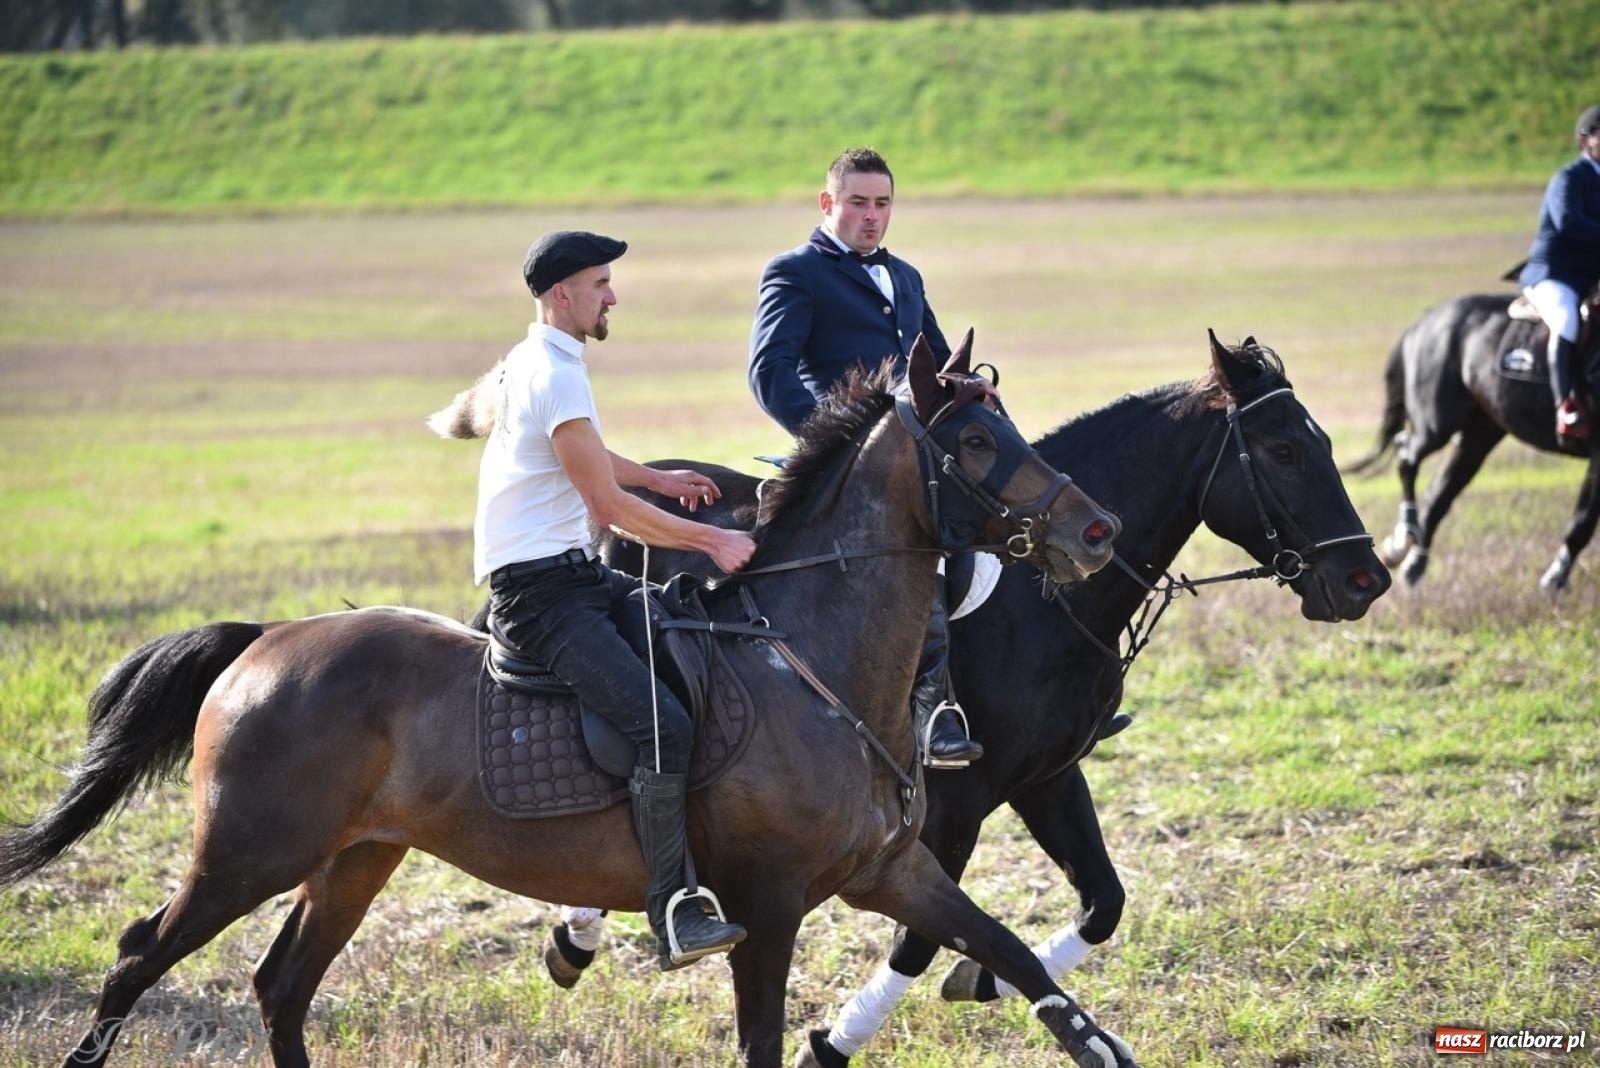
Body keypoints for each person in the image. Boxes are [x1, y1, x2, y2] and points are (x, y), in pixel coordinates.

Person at [477, 230, 755, 970]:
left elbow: (589, 459)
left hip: (572, 576)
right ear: (562, 294)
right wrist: (711, 542)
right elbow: (604, 504)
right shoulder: (553, 372)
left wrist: (663, 482)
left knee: (685, 635)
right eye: (601, 283)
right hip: (541, 598)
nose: (614, 295)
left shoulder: (542, 359)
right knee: (660, 724)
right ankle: (672, 911)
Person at [747, 147, 983, 768]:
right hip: (851, 468)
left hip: (919, 454)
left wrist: (971, 390)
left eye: (882, 204)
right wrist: (837, 443)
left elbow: (936, 364)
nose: (871, 217)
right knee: (920, 551)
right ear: (828, 204)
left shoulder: (905, 275)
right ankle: (934, 714)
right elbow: (770, 376)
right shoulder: (795, 271)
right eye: (858, 203)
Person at [1519, 103, 1600, 445]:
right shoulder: (1568, 178)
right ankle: (1565, 405)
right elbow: (1567, 222)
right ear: (1586, 140)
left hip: (1589, 276)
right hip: (1555, 273)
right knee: (1566, 319)